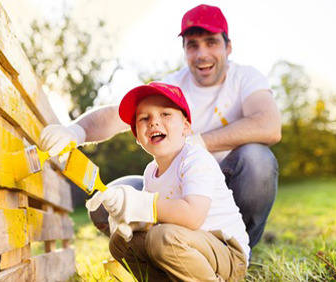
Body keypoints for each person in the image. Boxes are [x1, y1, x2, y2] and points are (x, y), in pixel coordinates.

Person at [40, 4, 281, 248]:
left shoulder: (245, 78)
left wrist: (199, 143)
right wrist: (75, 131)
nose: (202, 54)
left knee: (258, 159)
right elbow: (115, 115)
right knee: (106, 203)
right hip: (178, 188)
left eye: (211, 42)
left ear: (228, 47)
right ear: (184, 50)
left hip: (228, 184)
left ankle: (240, 250)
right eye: (193, 45)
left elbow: (268, 124)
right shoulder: (172, 87)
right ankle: (164, 259)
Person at [86, 82, 250, 281]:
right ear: (137, 136)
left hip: (227, 255)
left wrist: (141, 203)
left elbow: (192, 217)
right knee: (121, 241)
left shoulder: (195, 159)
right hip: (185, 247)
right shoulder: (150, 172)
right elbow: (152, 222)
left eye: (165, 114)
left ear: (186, 126)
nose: (154, 122)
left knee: (161, 238)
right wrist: (128, 217)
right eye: (144, 118)